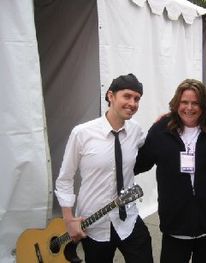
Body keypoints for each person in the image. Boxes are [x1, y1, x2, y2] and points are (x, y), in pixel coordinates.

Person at [55, 73, 153, 263]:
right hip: (93, 223)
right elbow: (65, 179)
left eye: (137, 99)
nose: (132, 103)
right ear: (110, 96)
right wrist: (69, 220)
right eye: (127, 96)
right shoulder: (82, 133)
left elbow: (149, 145)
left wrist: (163, 123)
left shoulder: (135, 130)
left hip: (128, 219)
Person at [134, 79, 206, 263]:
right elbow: (140, 163)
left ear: (203, 105)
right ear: (176, 104)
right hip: (175, 221)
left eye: (195, 103)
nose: (189, 108)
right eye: (184, 102)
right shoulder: (161, 129)